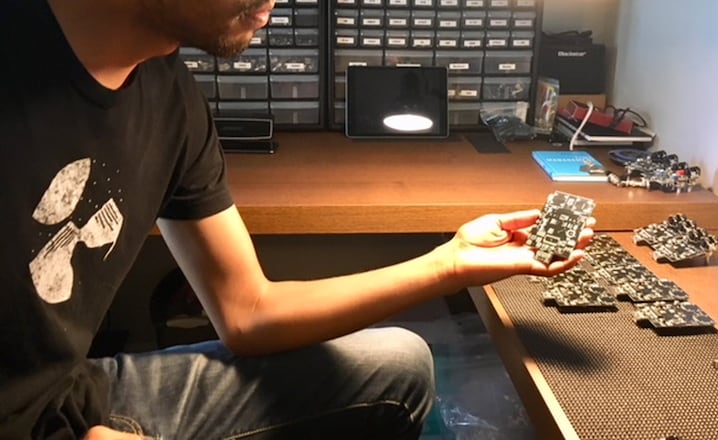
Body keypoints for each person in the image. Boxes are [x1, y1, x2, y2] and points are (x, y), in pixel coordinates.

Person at [0, 0, 595, 438]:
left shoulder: (168, 96)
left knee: (400, 364)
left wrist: (450, 263)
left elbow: (248, 312)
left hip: (70, 398)